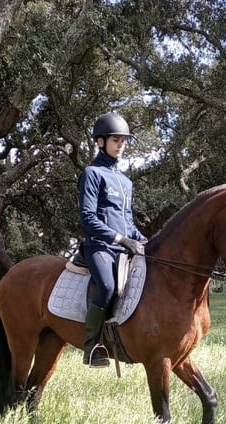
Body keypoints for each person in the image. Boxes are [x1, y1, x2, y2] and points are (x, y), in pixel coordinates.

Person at [78, 112, 148, 368]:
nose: (121, 144)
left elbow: (128, 222)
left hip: (122, 248)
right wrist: (120, 238)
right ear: (100, 141)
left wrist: (146, 241)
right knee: (107, 286)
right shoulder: (92, 173)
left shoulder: (125, 182)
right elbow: (88, 218)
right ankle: (92, 347)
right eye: (116, 139)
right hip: (99, 247)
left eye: (123, 140)